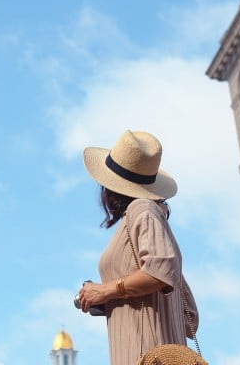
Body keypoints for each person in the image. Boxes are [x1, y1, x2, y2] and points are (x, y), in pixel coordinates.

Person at [77, 130, 199, 365]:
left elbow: (158, 271)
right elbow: (189, 316)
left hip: (147, 353)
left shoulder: (141, 209)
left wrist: (104, 291)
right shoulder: (152, 218)